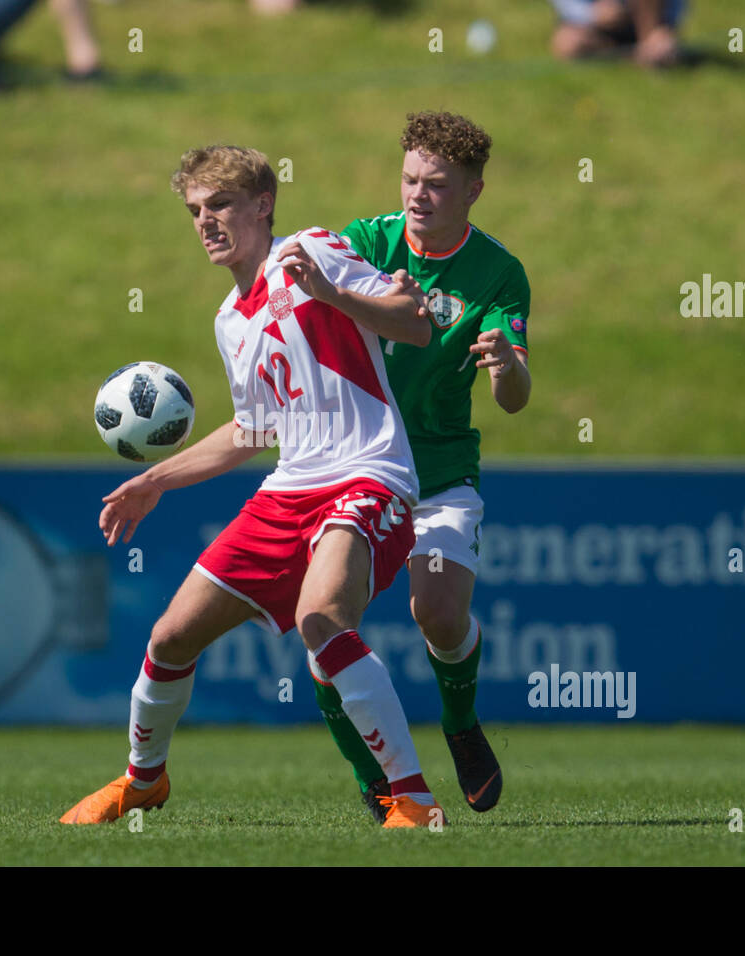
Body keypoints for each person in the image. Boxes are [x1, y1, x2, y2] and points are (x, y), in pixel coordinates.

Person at [60, 145, 446, 828]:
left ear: (263, 205)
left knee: (320, 620)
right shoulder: (229, 320)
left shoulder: (311, 251)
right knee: (170, 637)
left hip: (366, 472)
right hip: (288, 488)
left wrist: (331, 295)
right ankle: (142, 782)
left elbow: (414, 324)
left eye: (221, 206)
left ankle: (411, 797)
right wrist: (154, 480)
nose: (207, 222)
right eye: (195, 211)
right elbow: (254, 428)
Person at [315, 111, 532, 823]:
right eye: (409, 177)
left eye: (436, 183)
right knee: (326, 623)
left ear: (473, 189)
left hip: (438, 473)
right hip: (355, 469)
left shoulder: (498, 273)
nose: (417, 194)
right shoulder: (366, 242)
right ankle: (372, 776)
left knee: (436, 612)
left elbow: (515, 399)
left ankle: (460, 722)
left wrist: (504, 368)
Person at [549, 0, 685, 67]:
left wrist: (665, 26)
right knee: (568, 43)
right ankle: (636, 54)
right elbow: (567, 5)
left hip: (643, 22)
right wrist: (593, 15)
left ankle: (652, 44)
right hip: (597, 27)